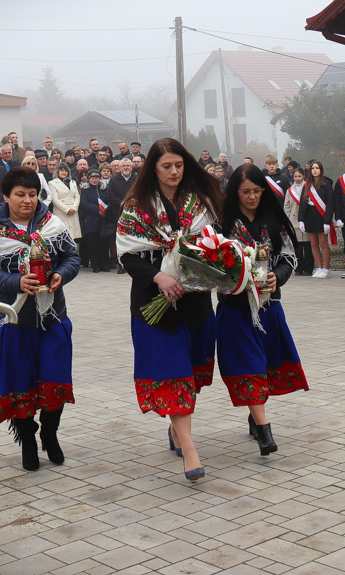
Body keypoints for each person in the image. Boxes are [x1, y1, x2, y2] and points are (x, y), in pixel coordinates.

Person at [116, 138, 223, 481]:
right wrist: (159, 277)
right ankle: (190, 450)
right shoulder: (136, 206)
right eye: (166, 166)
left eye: (178, 165)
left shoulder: (199, 202)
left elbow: (214, 244)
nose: (174, 172)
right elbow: (129, 256)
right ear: (153, 168)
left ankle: (178, 431)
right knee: (174, 372)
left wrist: (206, 269)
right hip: (154, 306)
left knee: (191, 372)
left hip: (195, 303)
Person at [0, 167, 80, 471]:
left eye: (32, 194)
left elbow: (72, 256)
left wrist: (61, 273)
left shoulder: (51, 223)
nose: (27, 200)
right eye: (20, 195)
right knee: (20, 384)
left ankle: (50, 432)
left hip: (51, 318)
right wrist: (15, 282)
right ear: (6, 196)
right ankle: (28, 439)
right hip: (13, 321)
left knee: (55, 381)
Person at [216, 164, 308, 455]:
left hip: (268, 306)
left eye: (257, 191)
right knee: (250, 366)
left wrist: (276, 276)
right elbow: (212, 262)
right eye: (245, 192)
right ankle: (265, 432)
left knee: (264, 367)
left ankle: (255, 419)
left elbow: (288, 258)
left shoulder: (272, 219)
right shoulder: (223, 222)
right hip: (235, 307)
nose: (252, 197)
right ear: (235, 192)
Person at [298, 160, 333, 278]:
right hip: (310, 216)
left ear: (321, 170)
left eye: (317, 168)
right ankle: (319, 267)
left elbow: (330, 204)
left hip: (322, 216)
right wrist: (301, 219)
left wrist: (327, 221)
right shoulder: (307, 185)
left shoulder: (326, 185)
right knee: (313, 244)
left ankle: (326, 268)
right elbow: (302, 203)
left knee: (323, 243)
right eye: (313, 168)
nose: (315, 170)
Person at [104, 158, 137, 273]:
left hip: (134, 214)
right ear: (120, 167)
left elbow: (141, 193)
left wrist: (131, 203)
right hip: (118, 214)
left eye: (128, 165)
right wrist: (121, 203)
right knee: (120, 240)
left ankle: (134, 264)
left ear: (132, 167)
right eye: (124, 166)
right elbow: (110, 195)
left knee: (133, 239)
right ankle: (122, 264)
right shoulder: (113, 180)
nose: (126, 168)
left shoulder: (136, 179)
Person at [79, 170, 109, 273]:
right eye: (92, 178)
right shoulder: (85, 190)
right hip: (91, 220)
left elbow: (108, 200)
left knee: (103, 244)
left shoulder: (104, 189)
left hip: (103, 220)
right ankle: (95, 265)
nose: (94, 180)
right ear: (88, 179)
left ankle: (104, 264)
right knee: (92, 244)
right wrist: (97, 210)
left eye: (96, 178)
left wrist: (105, 210)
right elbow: (83, 204)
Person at [284, 168, 311, 275]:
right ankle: (298, 268)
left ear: (303, 176)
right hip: (294, 222)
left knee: (308, 247)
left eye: (299, 176)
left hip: (306, 221)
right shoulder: (289, 190)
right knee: (297, 248)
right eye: (295, 176)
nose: (297, 178)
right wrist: (287, 220)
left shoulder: (308, 187)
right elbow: (286, 207)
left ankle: (309, 268)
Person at [48, 162, 83, 245]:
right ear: (57, 172)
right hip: (61, 213)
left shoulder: (73, 182)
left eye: (66, 171)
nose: (64, 172)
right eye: (62, 170)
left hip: (73, 212)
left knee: (73, 238)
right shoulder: (52, 183)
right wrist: (67, 210)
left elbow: (77, 197)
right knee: (63, 237)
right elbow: (55, 200)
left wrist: (74, 208)